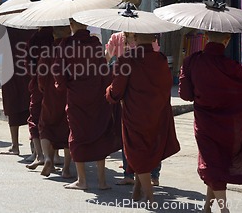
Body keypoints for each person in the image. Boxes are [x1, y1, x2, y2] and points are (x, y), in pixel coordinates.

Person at [179, 31, 242, 213]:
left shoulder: (192, 61)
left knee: (212, 163)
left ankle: (224, 210)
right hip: (229, 125)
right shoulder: (231, 66)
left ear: (206, 36)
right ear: (227, 40)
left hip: (205, 122)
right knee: (217, 163)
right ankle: (207, 208)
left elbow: (185, 95)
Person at [106, 33, 180, 203]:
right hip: (158, 111)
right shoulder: (161, 59)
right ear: (154, 39)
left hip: (135, 112)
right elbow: (168, 84)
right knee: (148, 148)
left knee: (136, 151)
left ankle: (149, 194)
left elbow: (116, 90)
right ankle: (137, 190)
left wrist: (109, 92)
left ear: (136, 39)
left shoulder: (127, 59)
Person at [54, 19, 122, 190]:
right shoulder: (95, 43)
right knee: (99, 132)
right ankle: (102, 181)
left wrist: (61, 86)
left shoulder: (65, 45)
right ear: (86, 24)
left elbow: (58, 70)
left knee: (77, 134)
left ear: (71, 25)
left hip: (77, 95)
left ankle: (82, 180)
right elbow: (103, 69)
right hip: (97, 94)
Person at [105, 30, 161, 186]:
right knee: (127, 135)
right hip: (126, 91)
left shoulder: (147, 37)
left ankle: (154, 174)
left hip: (147, 90)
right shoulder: (117, 38)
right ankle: (128, 174)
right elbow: (107, 57)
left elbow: (154, 61)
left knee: (151, 133)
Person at [0, 25, 35, 155]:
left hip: (10, 69)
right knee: (33, 106)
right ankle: (35, 145)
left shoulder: (6, 23)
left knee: (13, 105)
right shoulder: (33, 22)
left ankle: (15, 145)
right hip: (31, 69)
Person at [38, 25, 73, 178]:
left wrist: (43, 88)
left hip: (50, 94)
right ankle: (66, 169)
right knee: (67, 129)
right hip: (68, 93)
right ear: (69, 32)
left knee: (45, 126)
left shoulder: (48, 51)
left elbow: (41, 73)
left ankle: (47, 158)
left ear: (53, 34)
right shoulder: (72, 50)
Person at [25, 26, 54, 169]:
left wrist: (34, 77)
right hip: (56, 83)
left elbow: (29, 63)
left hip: (38, 82)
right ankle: (56, 157)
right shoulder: (58, 37)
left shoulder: (35, 38)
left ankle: (39, 155)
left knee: (34, 118)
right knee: (56, 118)